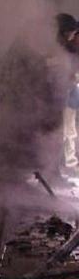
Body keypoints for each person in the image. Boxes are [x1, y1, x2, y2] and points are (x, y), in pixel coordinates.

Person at [56, 13, 79, 180]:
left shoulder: (71, 48)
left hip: (71, 95)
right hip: (62, 95)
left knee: (70, 130)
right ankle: (66, 164)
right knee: (64, 131)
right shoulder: (62, 49)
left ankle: (70, 163)